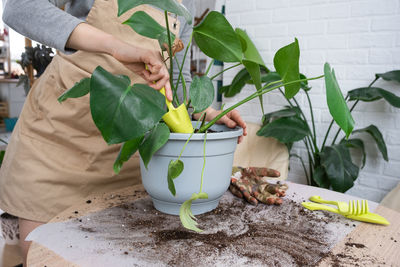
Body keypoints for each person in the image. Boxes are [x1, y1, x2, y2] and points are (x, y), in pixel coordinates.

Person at [0, 0, 247, 264]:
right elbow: (20, 8)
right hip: (60, 140)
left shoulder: (182, 8)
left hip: (130, 151)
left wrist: (206, 111)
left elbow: (177, 83)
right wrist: (115, 46)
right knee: (45, 255)